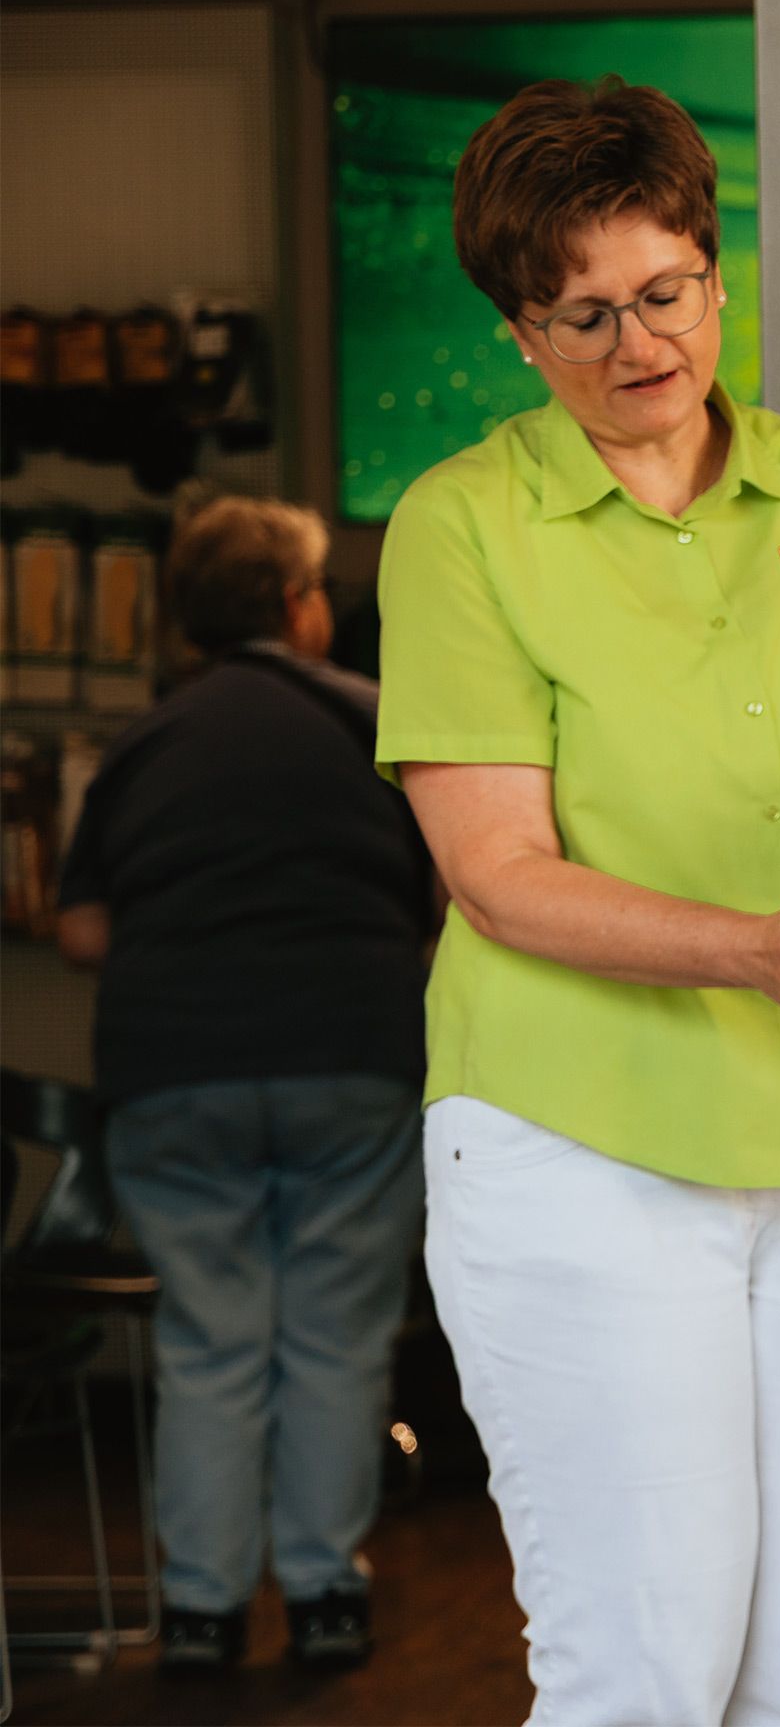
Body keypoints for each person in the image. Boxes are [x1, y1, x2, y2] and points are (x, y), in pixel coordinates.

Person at [375, 76, 780, 1726]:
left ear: (717, 275)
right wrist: (755, 951)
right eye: (582, 316)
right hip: (585, 1143)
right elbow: (497, 877)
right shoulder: (464, 527)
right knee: (644, 1675)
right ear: (521, 332)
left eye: (664, 293)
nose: (637, 344)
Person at [56, 496, 433, 1676]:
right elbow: (453, 898)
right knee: (336, 1334)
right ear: (297, 605)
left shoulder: (143, 741)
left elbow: (81, 928)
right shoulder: (376, 722)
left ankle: (203, 1612)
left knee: (210, 1338)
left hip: (175, 1071)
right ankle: (324, 1595)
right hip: (351, 1057)